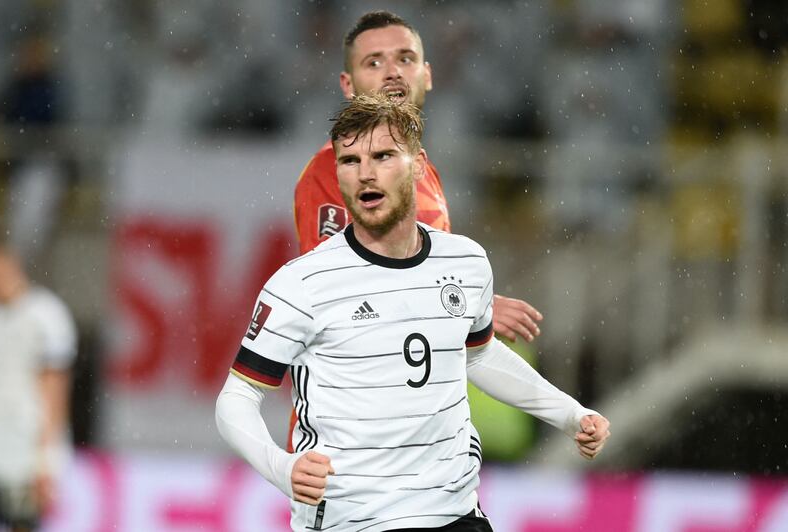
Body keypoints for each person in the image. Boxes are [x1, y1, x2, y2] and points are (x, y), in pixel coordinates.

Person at [217, 94, 610, 531]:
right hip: (353, 521)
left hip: (455, 515)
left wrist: (568, 413)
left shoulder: (466, 262)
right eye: (349, 161)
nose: (365, 173)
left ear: (418, 166)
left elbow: (478, 356)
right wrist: (280, 467)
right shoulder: (303, 285)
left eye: (383, 156)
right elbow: (236, 399)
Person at [293, 10, 542, 345]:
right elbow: (339, 293)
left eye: (405, 59)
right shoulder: (331, 169)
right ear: (348, 85)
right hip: (352, 391)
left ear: (427, 75)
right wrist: (465, 305)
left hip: (414, 387)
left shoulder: (423, 172)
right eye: (374, 63)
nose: (393, 72)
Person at [0, 242, 78, 531]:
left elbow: (54, 393)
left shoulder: (46, 315)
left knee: (21, 523)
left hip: (22, 452)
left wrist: (47, 461)